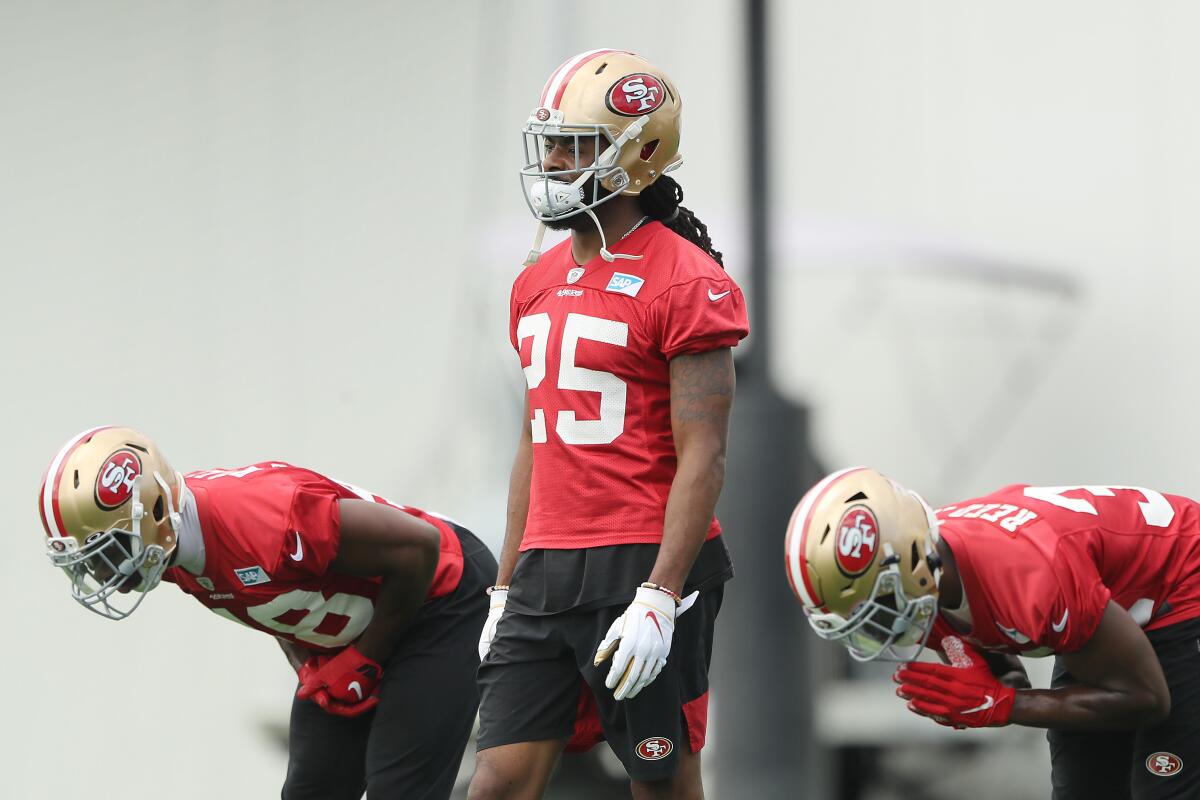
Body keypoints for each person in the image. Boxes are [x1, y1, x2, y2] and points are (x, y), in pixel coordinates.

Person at [468, 49, 749, 800]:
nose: (556, 160)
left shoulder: (688, 278)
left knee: (659, 780)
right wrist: (503, 586)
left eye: (579, 144)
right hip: (545, 568)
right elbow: (537, 441)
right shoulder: (533, 282)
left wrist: (661, 593)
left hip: (640, 558)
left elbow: (706, 456)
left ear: (639, 155)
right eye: (552, 141)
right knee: (496, 781)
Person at [38, 425, 497, 800]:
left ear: (153, 509)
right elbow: (268, 593)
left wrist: (365, 660)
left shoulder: (263, 519)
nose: (104, 572)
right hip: (366, 627)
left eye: (108, 551)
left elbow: (419, 547)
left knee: (398, 790)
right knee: (312, 791)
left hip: (443, 599)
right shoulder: (174, 549)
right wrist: (309, 661)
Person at [785, 466, 1200, 799]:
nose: (878, 626)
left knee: (1163, 781)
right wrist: (988, 696)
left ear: (910, 559)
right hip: (1097, 611)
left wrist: (1002, 705)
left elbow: (1145, 699)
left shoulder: (1028, 576)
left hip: (1180, 582)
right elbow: (1005, 675)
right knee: (1082, 786)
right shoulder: (928, 573)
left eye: (875, 605)